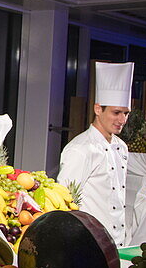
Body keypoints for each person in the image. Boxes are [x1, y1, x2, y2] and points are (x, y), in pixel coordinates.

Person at [57, 62, 133, 247]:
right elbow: (64, 200)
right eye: (116, 112)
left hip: (119, 241)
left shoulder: (121, 147)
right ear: (98, 109)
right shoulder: (80, 149)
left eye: (126, 113)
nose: (122, 120)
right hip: (89, 241)